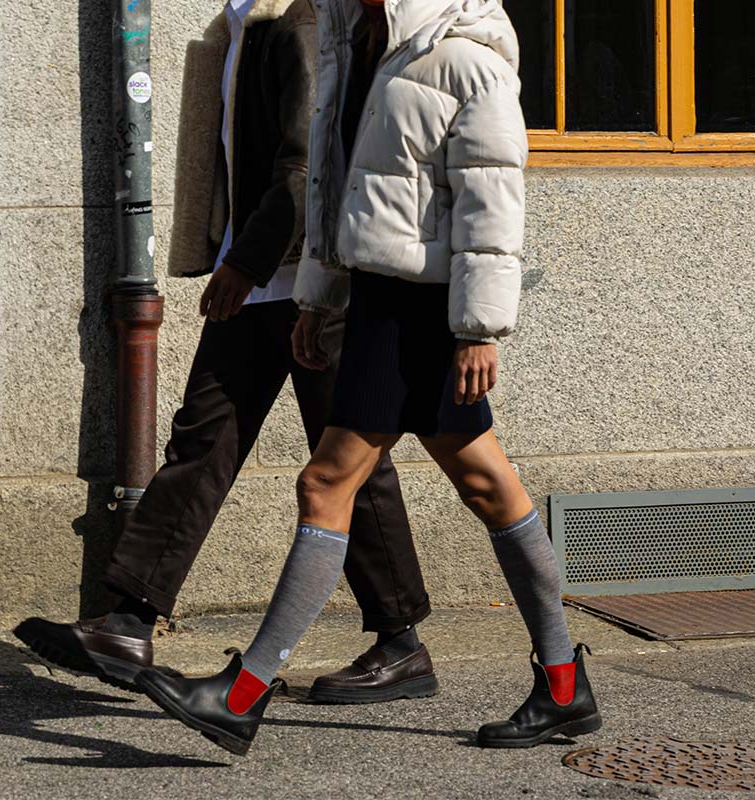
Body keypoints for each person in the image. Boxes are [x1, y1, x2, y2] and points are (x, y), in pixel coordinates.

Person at [133, 0, 603, 755]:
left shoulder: (467, 58)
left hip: (427, 311)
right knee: (488, 486)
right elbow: (331, 191)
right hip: (379, 301)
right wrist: (320, 301)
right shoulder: (356, 55)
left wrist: (477, 329)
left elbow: (493, 200)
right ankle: (561, 687)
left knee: (327, 484)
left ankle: (243, 694)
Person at [14, 0, 443, 709]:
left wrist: (244, 262)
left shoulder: (300, 18)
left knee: (350, 459)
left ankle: (400, 641)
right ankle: (126, 621)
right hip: (261, 274)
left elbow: (305, 160)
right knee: (203, 440)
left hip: (312, 274)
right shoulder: (244, 20)